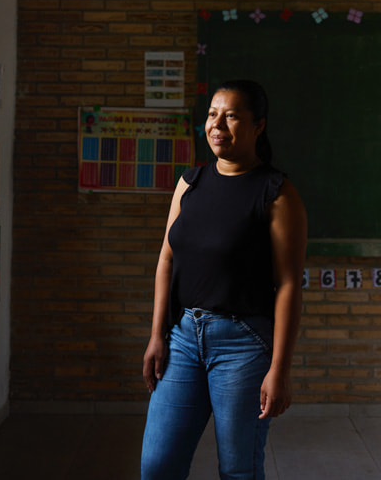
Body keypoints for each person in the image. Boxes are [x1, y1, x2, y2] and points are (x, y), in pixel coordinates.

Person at [141, 79, 307, 480]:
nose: (218, 124)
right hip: (182, 339)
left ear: (258, 126)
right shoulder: (190, 183)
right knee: (157, 466)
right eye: (213, 114)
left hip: (243, 345)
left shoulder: (277, 194)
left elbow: (288, 285)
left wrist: (279, 369)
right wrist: (157, 334)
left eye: (231, 116)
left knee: (238, 470)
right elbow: (166, 259)